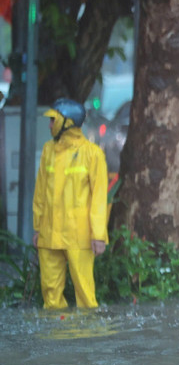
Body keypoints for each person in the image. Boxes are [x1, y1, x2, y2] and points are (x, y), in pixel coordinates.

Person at [32, 98, 109, 309]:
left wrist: (98, 236)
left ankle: (87, 339)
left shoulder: (92, 154)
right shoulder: (48, 150)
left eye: (53, 120)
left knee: (85, 293)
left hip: (79, 235)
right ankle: (57, 338)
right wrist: (38, 228)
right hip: (49, 234)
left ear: (67, 122)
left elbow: (99, 199)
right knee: (50, 296)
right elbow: (40, 192)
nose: (49, 125)